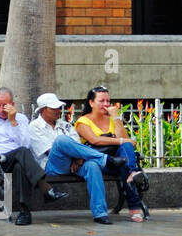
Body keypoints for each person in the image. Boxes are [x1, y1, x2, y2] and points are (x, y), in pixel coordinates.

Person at [0, 87, 66, 225]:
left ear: (12, 105)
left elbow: (26, 145)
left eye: (5, 105)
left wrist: (13, 122)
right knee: (21, 153)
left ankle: (24, 213)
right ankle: (47, 189)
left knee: (20, 164)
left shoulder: (20, 119)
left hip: (18, 160)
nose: (1, 108)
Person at [28, 93, 123, 225]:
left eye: (58, 107)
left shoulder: (65, 125)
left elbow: (77, 147)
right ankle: (105, 159)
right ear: (43, 110)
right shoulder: (34, 127)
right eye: (54, 108)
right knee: (61, 141)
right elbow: (50, 152)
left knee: (92, 167)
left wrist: (79, 160)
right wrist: (76, 157)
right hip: (53, 166)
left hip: (75, 164)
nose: (58, 111)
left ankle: (100, 213)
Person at [75, 86, 149, 221]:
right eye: (101, 101)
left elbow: (126, 140)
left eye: (108, 101)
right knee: (124, 159)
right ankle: (135, 208)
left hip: (117, 162)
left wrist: (115, 117)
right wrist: (119, 140)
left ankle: (132, 173)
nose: (106, 104)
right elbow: (94, 140)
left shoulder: (111, 119)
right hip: (99, 162)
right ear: (91, 103)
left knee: (125, 163)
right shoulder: (83, 121)